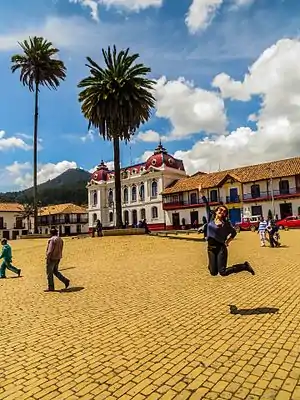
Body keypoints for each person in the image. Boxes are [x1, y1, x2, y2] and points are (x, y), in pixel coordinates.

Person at [199, 184, 255, 276]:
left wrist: (227, 241)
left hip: (221, 248)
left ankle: (244, 266)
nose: (222, 212)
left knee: (223, 272)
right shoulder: (210, 218)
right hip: (210, 248)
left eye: (224, 211)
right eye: (220, 210)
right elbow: (206, 204)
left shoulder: (226, 224)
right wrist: (201, 193)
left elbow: (234, 233)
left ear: (225, 214)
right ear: (216, 211)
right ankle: (212, 266)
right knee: (213, 272)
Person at [45, 227, 70, 292]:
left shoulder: (52, 240)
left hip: (52, 258)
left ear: (51, 233)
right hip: (58, 257)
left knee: (49, 273)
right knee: (55, 271)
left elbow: (50, 250)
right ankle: (65, 280)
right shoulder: (60, 239)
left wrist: (48, 258)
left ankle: (51, 287)